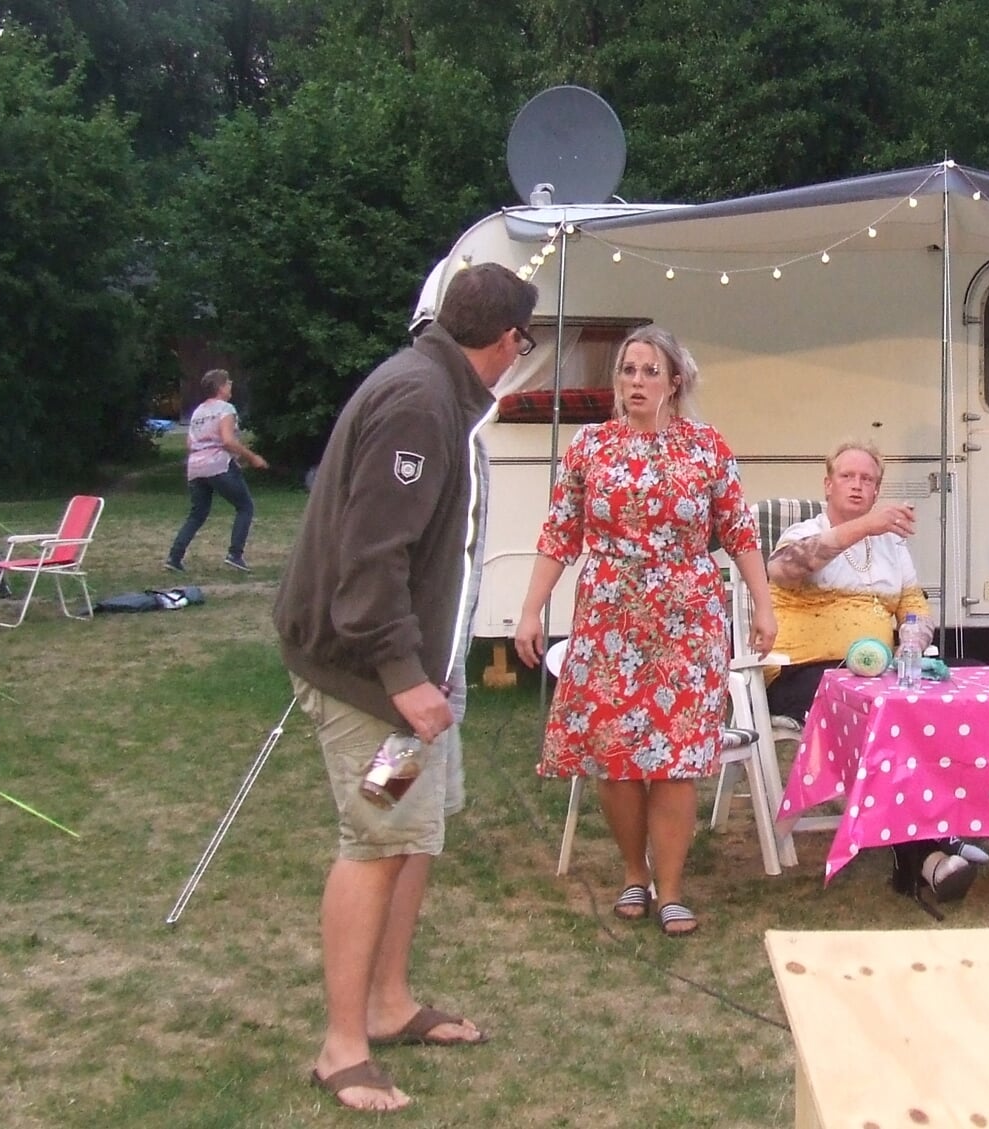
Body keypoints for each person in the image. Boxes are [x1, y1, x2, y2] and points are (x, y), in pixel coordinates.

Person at [274, 262, 538, 1113]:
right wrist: (403, 679)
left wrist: (436, 674)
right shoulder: (419, 403)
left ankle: (388, 1003)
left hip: (424, 675)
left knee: (415, 834)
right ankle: (341, 1045)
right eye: (522, 343)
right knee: (379, 839)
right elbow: (369, 559)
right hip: (374, 684)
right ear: (504, 341)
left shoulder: (438, 388)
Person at [514, 326, 776, 940]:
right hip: (609, 617)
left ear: (674, 381)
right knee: (618, 760)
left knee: (677, 759)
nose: (635, 381)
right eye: (627, 370)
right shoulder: (590, 446)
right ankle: (635, 873)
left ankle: (673, 889)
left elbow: (738, 532)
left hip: (687, 619)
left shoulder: (706, 447)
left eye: (648, 371)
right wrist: (531, 610)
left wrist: (762, 605)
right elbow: (560, 533)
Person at [764, 441, 988, 903]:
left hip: (877, 675)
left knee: (968, 687)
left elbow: (915, 608)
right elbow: (783, 570)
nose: (857, 485)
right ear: (828, 485)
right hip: (805, 675)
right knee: (890, 724)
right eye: (848, 476)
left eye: (867, 480)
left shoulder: (891, 546)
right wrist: (866, 526)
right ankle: (926, 856)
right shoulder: (805, 532)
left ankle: (948, 830)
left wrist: (913, 639)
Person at [165, 369, 268, 572]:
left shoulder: (197, 412)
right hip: (218, 465)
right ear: (221, 387)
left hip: (195, 467)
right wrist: (252, 457)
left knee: (197, 514)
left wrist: (234, 458)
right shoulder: (226, 409)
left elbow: (189, 442)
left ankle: (174, 557)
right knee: (245, 506)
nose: (231, 386)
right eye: (228, 383)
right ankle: (235, 554)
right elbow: (228, 440)